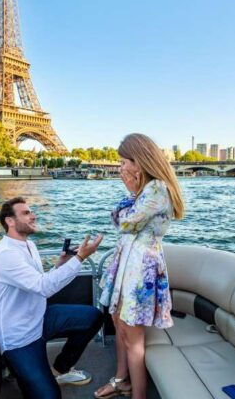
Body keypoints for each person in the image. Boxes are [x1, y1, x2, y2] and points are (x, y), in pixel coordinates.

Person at [94, 133, 185, 399]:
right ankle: (121, 380)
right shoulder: (145, 191)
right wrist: (132, 193)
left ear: (140, 162)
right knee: (119, 323)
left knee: (132, 336)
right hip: (126, 264)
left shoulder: (156, 189)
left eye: (124, 162)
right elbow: (122, 219)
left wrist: (131, 193)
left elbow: (125, 222)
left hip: (139, 269)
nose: (120, 168)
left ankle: (138, 395)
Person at [0, 196, 105, 399]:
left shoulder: (29, 245)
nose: (33, 215)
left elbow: (37, 280)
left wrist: (60, 264)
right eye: (26, 213)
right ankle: (14, 365)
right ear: (10, 221)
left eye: (31, 211)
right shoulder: (6, 254)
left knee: (93, 316)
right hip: (19, 336)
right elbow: (43, 287)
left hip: (39, 318)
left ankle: (60, 369)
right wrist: (79, 258)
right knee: (49, 396)